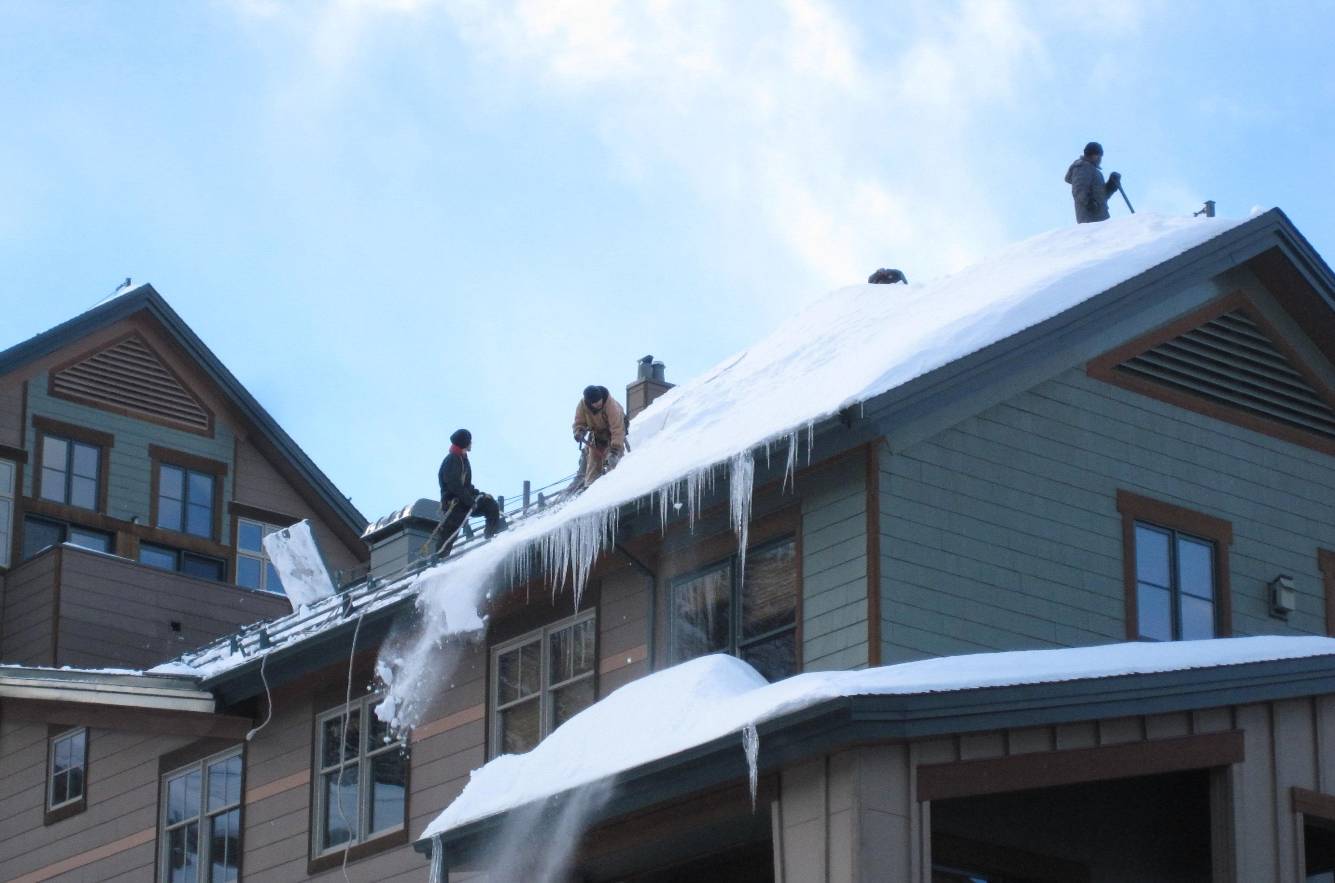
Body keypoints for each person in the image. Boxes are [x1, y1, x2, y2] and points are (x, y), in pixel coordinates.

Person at [435, 428, 503, 556]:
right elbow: (454, 485)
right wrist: (470, 500)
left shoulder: (463, 459)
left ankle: (491, 536)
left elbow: (465, 485)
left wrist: (478, 494)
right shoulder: (452, 460)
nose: (471, 443)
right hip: (454, 504)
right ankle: (437, 561)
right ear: (465, 443)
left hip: (465, 500)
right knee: (449, 534)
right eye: (470, 441)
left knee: (490, 505)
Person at [572, 385, 626, 490]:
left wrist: (614, 450)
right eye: (596, 403)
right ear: (589, 403)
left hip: (613, 434)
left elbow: (617, 429)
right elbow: (579, 422)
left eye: (600, 401)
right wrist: (579, 431)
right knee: (593, 464)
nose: (599, 404)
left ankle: (616, 486)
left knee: (614, 461)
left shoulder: (611, 406)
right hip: (597, 434)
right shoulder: (582, 406)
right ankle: (590, 490)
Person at [1065, 141, 1122, 224]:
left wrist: (1111, 185)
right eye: (1097, 155)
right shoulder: (1082, 167)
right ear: (1089, 154)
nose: (1099, 158)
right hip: (1089, 217)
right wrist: (1089, 203)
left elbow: (1102, 197)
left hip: (1101, 215)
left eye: (1100, 155)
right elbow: (1079, 189)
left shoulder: (1095, 172)